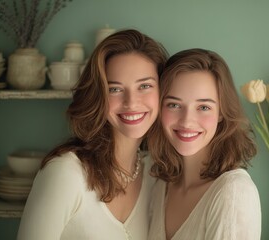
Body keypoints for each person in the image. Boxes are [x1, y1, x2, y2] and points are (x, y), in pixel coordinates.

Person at [17, 29, 168, 240]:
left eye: (145, 86)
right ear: (97, 95)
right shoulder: (65, 172)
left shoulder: (155, 175)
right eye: (114, 89)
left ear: (163, 91)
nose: (131, 102)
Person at [147, 48, 261, 240]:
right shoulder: (160, 186)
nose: (186, 121)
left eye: (203, 107)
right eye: (174, 105)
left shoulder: (233, 192)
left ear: (222, 112)